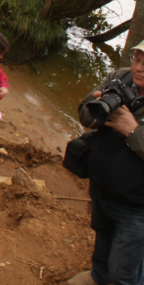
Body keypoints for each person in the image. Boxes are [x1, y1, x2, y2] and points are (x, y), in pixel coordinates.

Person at [67, 40, 144, 285]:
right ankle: (98, 277)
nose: (139, 68)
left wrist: (132, 131)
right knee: (102, 245)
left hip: (136, 206)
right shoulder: (120, 77)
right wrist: (98, 108)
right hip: (103, 190)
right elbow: (84, 112)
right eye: (138, 59)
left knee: (125, 270)